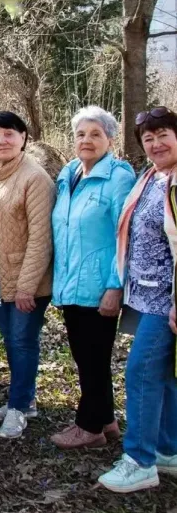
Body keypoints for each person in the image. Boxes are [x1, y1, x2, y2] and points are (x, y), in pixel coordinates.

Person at [98, 106, 177, 493]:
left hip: (167, 298)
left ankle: (139, 461)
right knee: (163, 374)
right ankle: (166, 449)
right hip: (145, 295)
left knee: (141, 371)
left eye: (163, 134)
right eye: (149, 138)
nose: (156, 143)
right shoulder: (153, 177)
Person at [50, 107, 135, 450]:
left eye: (95, 134)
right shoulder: (69, 174)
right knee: (88, 357)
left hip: (100, 286)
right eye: (81, 134)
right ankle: (107, 420)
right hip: (71, 283)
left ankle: (89, 427)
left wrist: (116, 286)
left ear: (110, 140)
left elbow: (125, 235)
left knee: (94, 357)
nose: (87, 140)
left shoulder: (119, 178)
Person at [0, 111, 55, 439]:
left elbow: (41, 237)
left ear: (24, 137)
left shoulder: (34, 177)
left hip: (27, 279)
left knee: (23, 341)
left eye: (9, 133)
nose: (2, 140)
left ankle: (19, 407)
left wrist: (27, 286)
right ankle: (23, 399)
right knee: (11, 340)